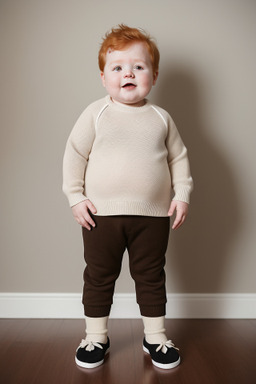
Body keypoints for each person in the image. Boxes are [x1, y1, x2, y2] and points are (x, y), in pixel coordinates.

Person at [63, 24, 193, 370]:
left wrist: (182, 194)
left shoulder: (161, 119)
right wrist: (76, 197)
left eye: (138, 66)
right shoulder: (96, 113)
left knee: (151, 275)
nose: (128, 74)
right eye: (118, 67)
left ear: (154, 74)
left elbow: (178, 158)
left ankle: (156, 336)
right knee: (99, 275)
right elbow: (75, 153)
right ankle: (95, 337)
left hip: (152, 215)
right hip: (100, 214)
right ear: (104, 77)